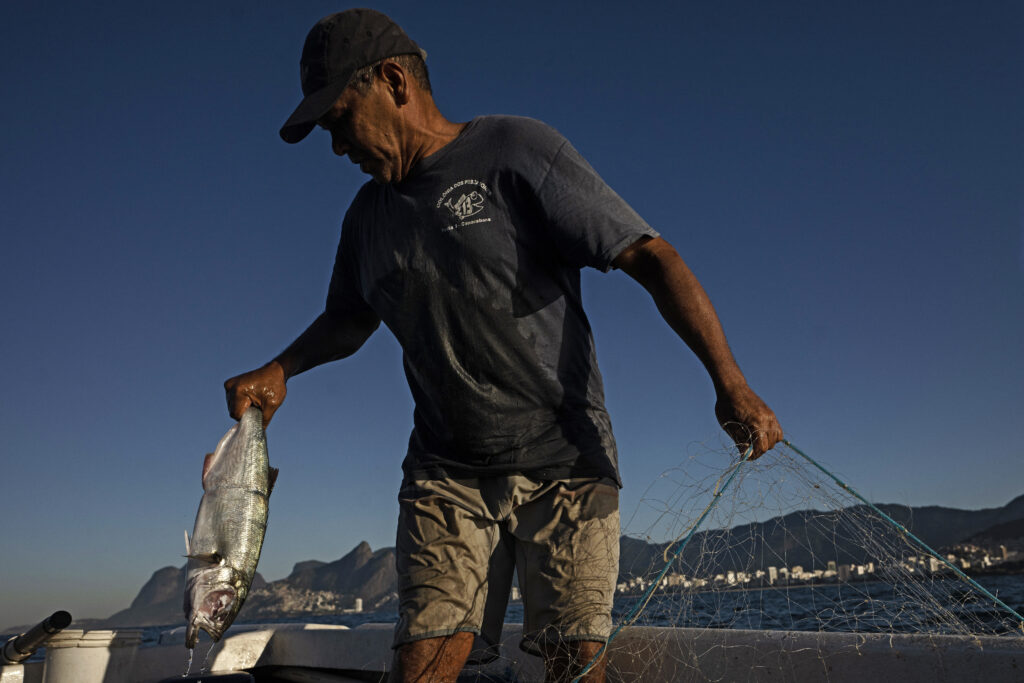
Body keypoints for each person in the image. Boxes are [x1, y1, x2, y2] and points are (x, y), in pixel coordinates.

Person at [224, 8, 783, 683]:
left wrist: (731, 382)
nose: (336, 146)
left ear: (394, 81)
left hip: (566, 459)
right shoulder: (366, 218)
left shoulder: (517, 151)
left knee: (575, 664)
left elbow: (650, 254)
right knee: (424, 661)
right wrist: (282, 368)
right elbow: (348, 319)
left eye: (339, 118)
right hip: (446, 471)